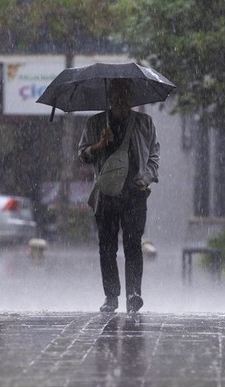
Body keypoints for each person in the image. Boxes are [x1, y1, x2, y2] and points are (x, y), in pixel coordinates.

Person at [78, 78, 160, 313]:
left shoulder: (145, 122)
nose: (120, 99)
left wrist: (147, 178)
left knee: (133, 244)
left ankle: (134, 294)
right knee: (106, 247)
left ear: (131, 97)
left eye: (125, 94)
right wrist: (100, 145)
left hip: (135, 193)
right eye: (115, 94)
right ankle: (111, 296)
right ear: (109, 97)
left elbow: (155, 154)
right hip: (106, 195)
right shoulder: (95, 123)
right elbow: (82, 155)